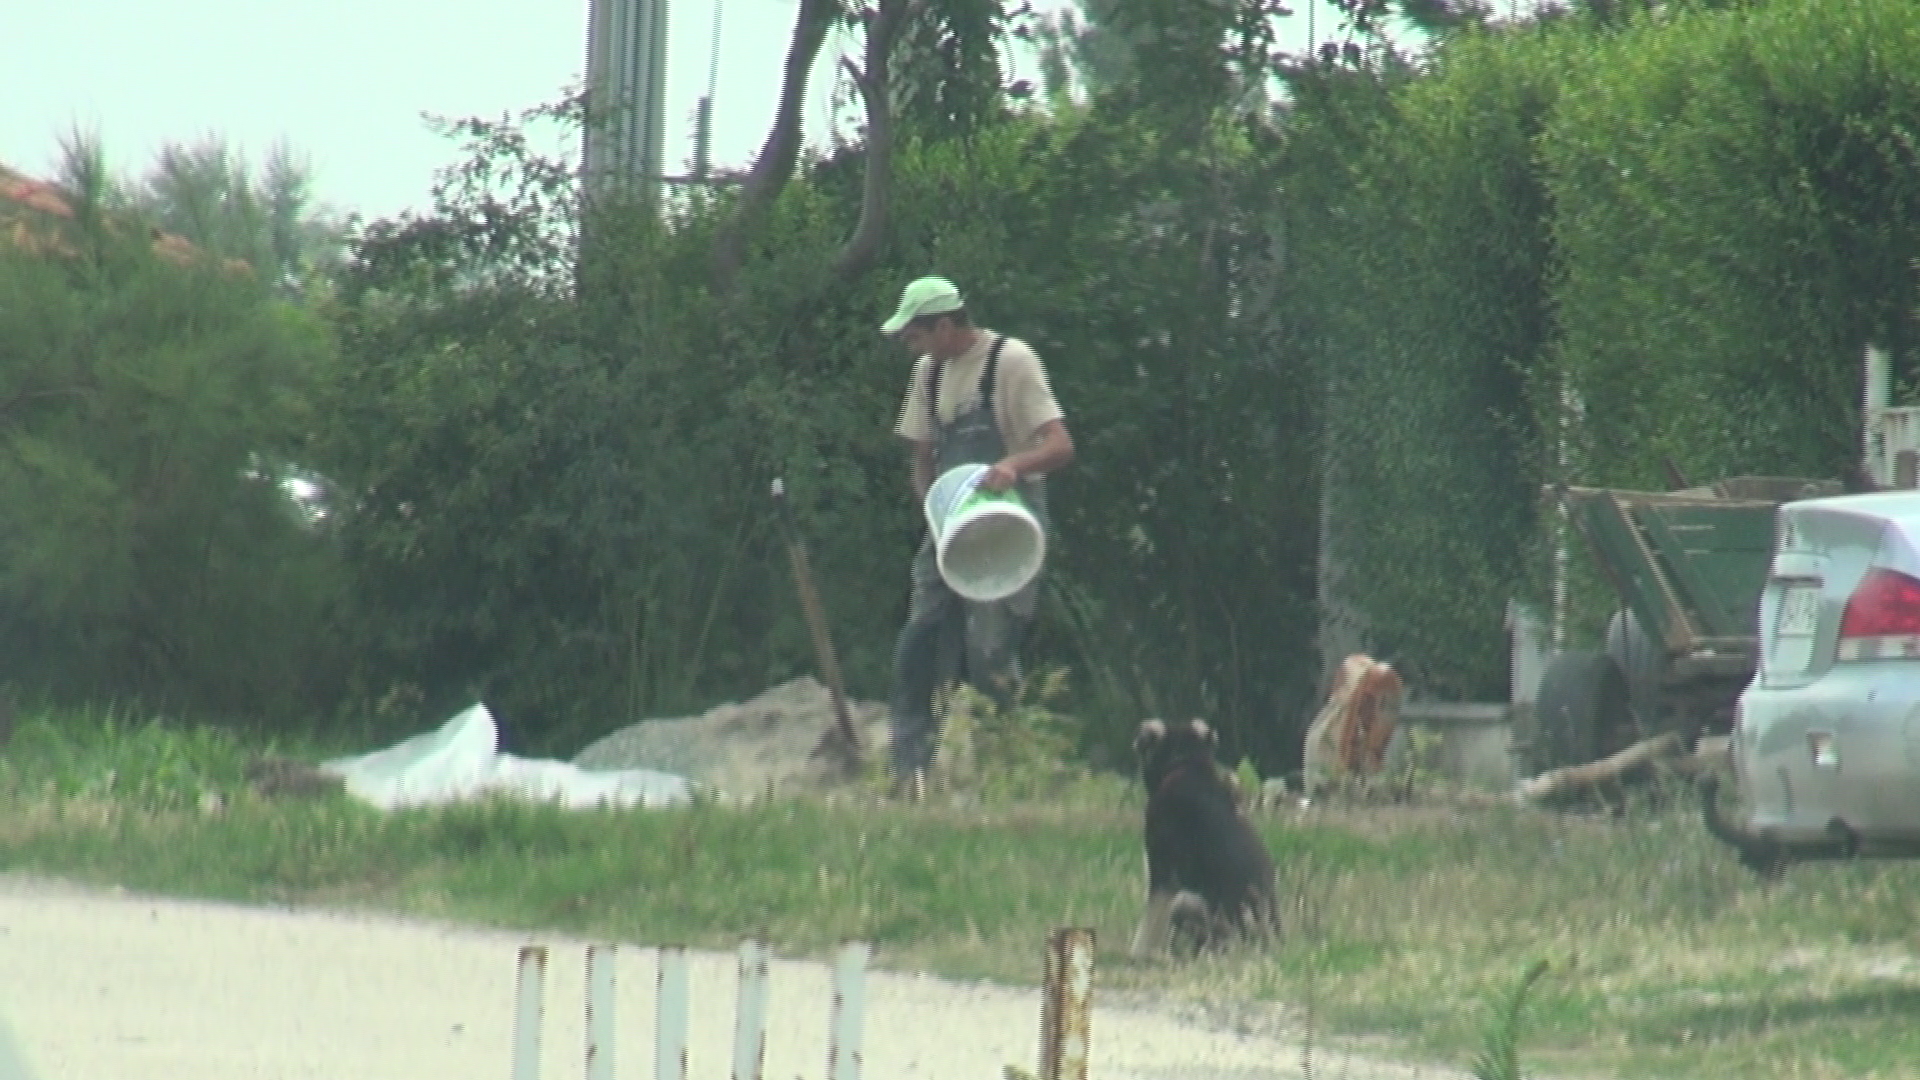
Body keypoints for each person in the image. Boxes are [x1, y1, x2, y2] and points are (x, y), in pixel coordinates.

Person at [880, 276, 1075, 798]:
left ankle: (1002, 767)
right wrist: (932, 511)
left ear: (945, 325)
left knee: (989, 650)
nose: (909, 346)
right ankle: (909, 763)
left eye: (915, 335)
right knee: (921, 631)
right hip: (950, 518)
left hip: (1010, 519)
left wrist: (1012, 464)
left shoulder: (1011, 362)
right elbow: (922, 453)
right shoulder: (929, 374)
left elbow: (1059, 446)